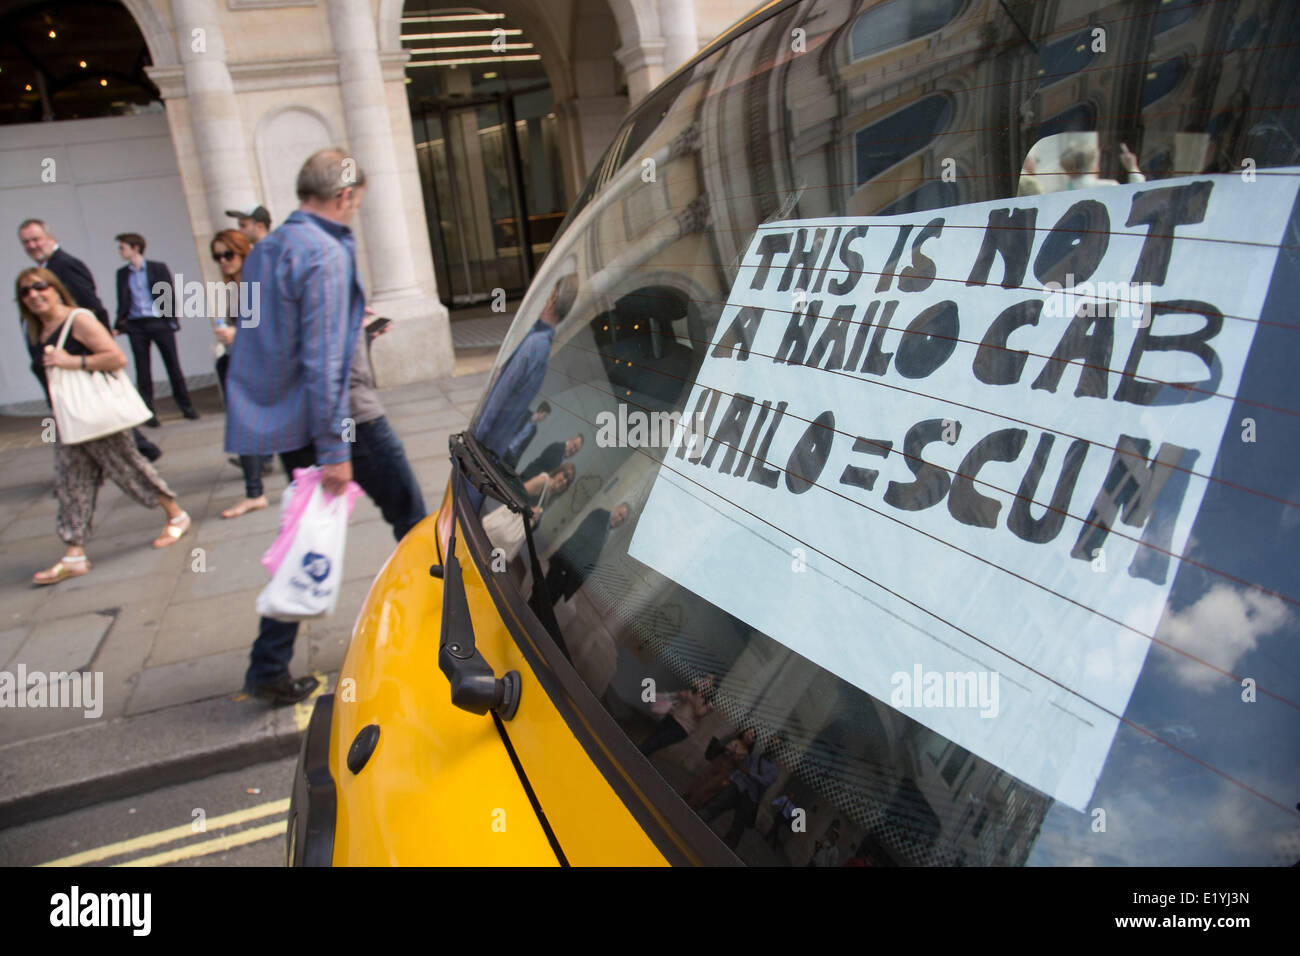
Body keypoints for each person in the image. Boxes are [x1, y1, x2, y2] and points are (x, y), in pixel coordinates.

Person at [225, 147, 367, 707]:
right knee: (396, 514)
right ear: (344, 196)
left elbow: (263, 335)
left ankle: (268, 664)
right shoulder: (324, 253)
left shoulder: (271, 246)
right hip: (324, 420)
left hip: (285, 416)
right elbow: (324, 359)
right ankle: (267, 664)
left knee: (309, 533)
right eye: (355, 199)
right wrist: (335, 447)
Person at [18, 267, 190, 584]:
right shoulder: (37, 329)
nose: (33, 295)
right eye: (25, 291)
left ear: (55, 288)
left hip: (95, 415)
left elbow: (116, 358)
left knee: (129, 468)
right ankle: (74, 553)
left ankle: (176, 514)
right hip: (68, 417)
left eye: (39, 286)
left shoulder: (78, 319)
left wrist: (72, 361)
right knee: (70, 483)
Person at [16, 219, 161, 462]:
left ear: (50, 238)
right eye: (26, 242)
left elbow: (92, 306)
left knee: (91, 405)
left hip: (74, 354)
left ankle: (135, 452)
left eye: (36, 239)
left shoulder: (65, 265)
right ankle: (138, 450)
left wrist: (97, 346)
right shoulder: (46, 267)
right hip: (55, 360)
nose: (32, 245)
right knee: (84, 409)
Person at [472, 273, 578, 459]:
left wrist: (475, 441)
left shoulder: (534, 345)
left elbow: (500, 397)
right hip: (494, 447)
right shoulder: (541, 345)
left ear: (553, 297)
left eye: (549, 293)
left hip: (485, 447)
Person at [209, 229, 271, 518]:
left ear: (243, 251)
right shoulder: (233, 287)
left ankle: (256, 492)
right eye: (217, 256)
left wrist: (237, 333)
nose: (223, 261)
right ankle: (256, 489)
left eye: (228, 254)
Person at [113, 232, 198, 423]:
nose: (119, 251)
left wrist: (171, 320)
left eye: (122, 247)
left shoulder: (157, 268)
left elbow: (167, 294)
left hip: (159, 322)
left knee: (173, 366)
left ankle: (186, 406)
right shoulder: (122, 274)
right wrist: (119, 325)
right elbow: (123, 301)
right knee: (142, 370)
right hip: (136, 325)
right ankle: (149, 413)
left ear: (135, 248)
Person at [699, 730, 779, 851]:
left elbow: (765, 781)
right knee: (718, 804)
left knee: (738, 826)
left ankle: (726, 849)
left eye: (775, 744)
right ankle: (701, 819)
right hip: (738, 786)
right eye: (771, 742)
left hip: (750, 797)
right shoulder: (755, 756)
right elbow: (741, 769)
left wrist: (750, 774)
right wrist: (731, 780)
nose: (771, 745)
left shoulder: (773, 770)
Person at [543, 501, 631, 605]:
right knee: (542, 600)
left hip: (566, 576)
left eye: (622, 520)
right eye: (620, 514)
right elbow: (578, 541)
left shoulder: (607, 530)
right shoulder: (600, 515)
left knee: (546, 605)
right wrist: (564, 573)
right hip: (563, 570)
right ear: (615, 508)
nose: (619, 520)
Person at [640, 674, 714, 756]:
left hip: (682, 728)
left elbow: (698, 712)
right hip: (673, 717)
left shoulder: (708, 704)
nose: (704, 683)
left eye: (708, 682)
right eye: (705, 680)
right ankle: (639, 752)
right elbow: (681, 695)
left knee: (658, 741)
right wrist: (686, 694)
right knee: (653, 737)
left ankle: (639, 753)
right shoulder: (693, 691)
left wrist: (693, 698)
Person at [519, 432, 583, 482]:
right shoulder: (557, 448)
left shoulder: (563, 458)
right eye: (574, 446)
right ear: (571, 439)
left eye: (576, 451)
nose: (573, 450)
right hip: (529, 479)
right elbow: (544, 469)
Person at [502, 401, 550, 469]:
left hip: (511, 455)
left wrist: (514, 464)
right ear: (540, 411)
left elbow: (522, 449)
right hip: (503, 446)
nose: (544, 419)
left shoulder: (534, 430)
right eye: (544, 416)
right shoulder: (524, 414)